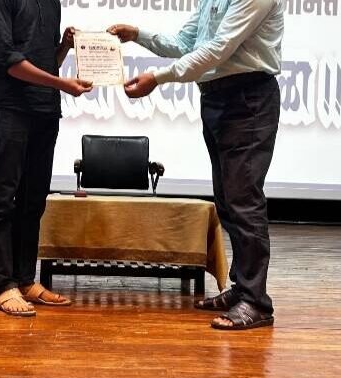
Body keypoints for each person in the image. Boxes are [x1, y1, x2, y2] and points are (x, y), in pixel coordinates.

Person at [109, 0, 284, 330]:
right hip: (217, 98)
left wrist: (158, 78)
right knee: (228, 202)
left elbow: (218, 49)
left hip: (247, 98)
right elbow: (185, 43)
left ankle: (256, 302)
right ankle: (242, 289)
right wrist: (137, 34)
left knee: (243, 201)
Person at [0, 0, 93, 316]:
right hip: (11, 109)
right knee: (4, 198)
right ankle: (4, 285)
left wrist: (64, 48)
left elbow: (47, 64)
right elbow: (9, 61)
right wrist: (62, 84)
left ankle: (26, 280)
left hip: (45, 110)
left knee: (34, 199)